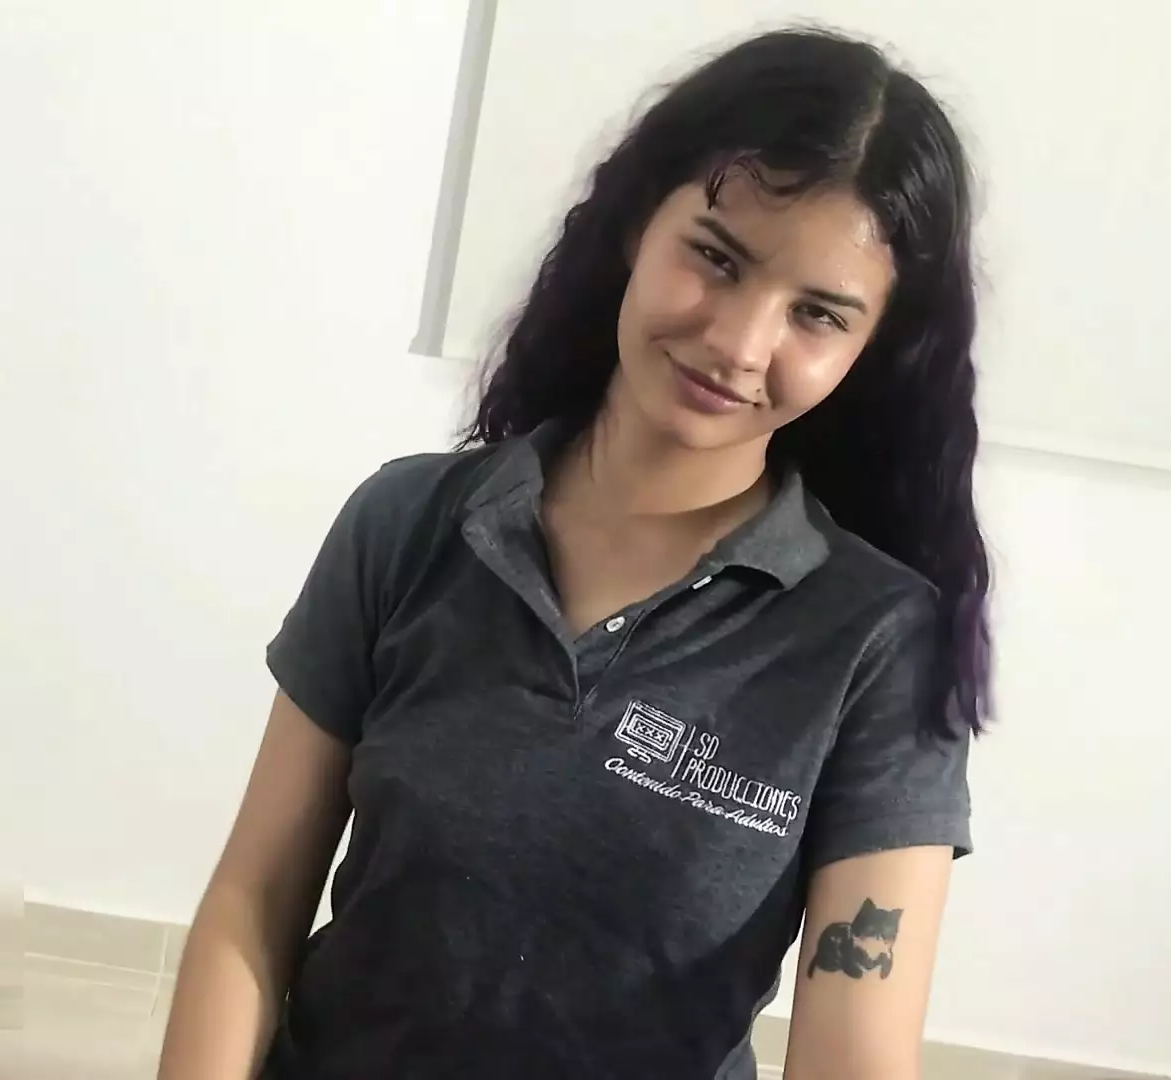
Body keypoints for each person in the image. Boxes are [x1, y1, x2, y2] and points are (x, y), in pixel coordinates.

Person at [160, 24, 991, 1080]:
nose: (739, 343)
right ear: (638, 222)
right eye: (716, 258)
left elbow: (854, 1053)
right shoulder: (408, 524)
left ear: (871, 349)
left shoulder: (879, 644)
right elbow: (255, 898)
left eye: (817, 314)